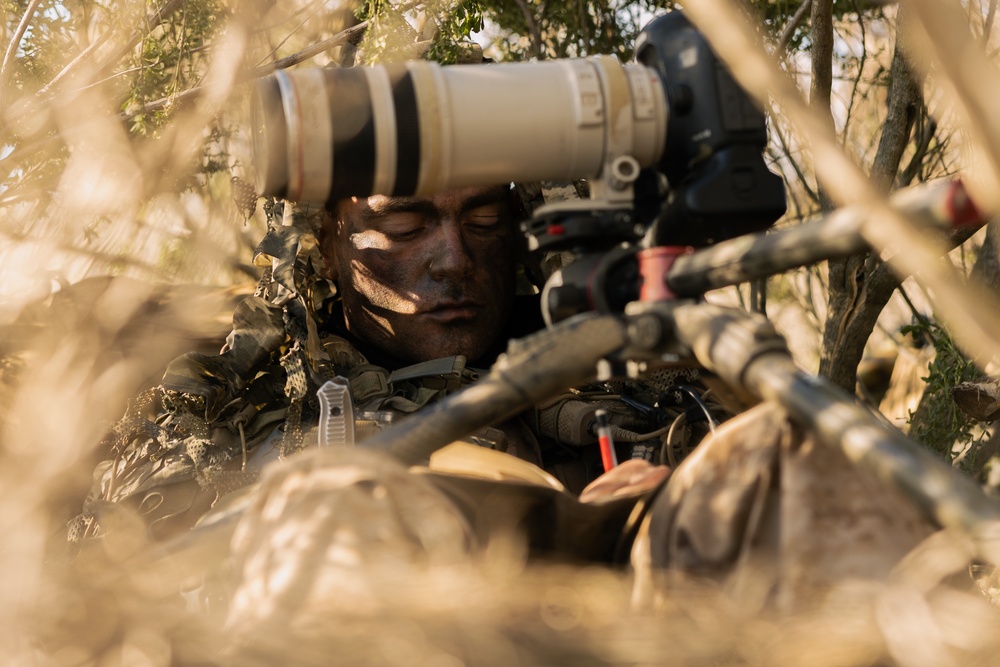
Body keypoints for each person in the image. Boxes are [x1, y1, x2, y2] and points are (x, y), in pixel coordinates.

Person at [69, 182, 681, 547]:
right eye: (405, 226)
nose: (454, 259)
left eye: (486, 223)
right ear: (329, 250)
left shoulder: (619, 373)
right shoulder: (229, 399)